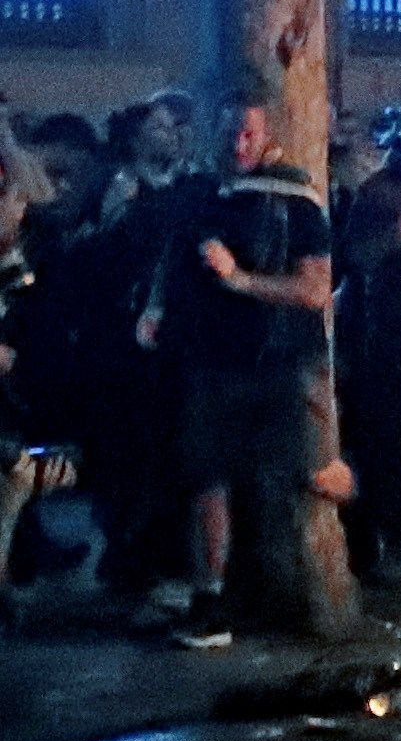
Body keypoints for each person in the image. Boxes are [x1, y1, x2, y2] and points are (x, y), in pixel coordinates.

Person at [136, 99, 342, 644]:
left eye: (248, 134)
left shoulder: (296, 203)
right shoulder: (204, 195)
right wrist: (156, 308)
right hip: (209, 363)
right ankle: (212, 600)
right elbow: (175, 256)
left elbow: (313, 290)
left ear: (270, 135)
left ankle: (287, 603)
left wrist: (242, 280)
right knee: (206, 478)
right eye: (229, 134)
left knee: (292, 478)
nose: (238, 146)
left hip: (274, 365)